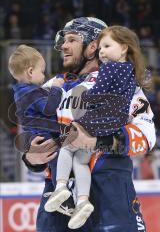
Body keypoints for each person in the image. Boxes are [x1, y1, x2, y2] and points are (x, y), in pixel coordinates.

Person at [21, 17, 156, 232]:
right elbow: (32, 131)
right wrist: (31, 157)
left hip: (110, 193)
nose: (64, 46)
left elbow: (147, 135)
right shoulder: (52, 86)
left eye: (72, 40)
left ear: (93, 46)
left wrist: (98, 142)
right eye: (64, 40)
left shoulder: (122, 81)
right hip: (58, 199)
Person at [8, 44, 65, 189]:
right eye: (42, 71)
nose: (44, 76)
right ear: (31, 72)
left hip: (38, 136)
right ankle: (61, 190)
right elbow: (49, 109)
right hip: (43, 136)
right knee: (59, 159)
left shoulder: (22, 92)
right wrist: (56, 89)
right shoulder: (32, 93)